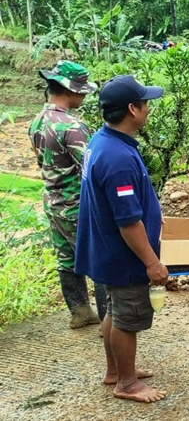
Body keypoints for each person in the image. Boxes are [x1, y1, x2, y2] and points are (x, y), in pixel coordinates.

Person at [74, 75, 168, 403]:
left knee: (114, 309)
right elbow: (128, 221)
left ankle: (115, 370)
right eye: (145, 103)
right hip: (123, 254)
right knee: (129, 317)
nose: (148, 108)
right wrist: (152, 262)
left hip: (106, 250)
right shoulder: (118, 159)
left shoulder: (103, 142)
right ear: (132, 109)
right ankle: (127, 384)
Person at [29, 61, 106, 329]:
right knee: (100, 261)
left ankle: (80, 313)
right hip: (76, 206)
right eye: (82, 91)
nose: (84, 96)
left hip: (52, 202)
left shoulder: (37, 121)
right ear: (68, 90)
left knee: (66, 260)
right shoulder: (71, 126)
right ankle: (111, 325)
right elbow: (92, 169)